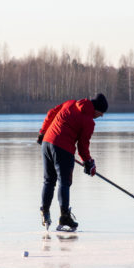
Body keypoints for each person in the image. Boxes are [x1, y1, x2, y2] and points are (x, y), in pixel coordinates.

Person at [37, 93, 108, 231]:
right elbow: (83, 145)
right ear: (96, 110)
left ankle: (45, 212)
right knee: (64, 182)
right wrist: (88, 162)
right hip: (63, 149)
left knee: (49, 181)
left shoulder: (70, 103)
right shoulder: (88, 121)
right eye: (101, 113)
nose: (101, 116)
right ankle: (64, 216)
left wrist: (42, 132)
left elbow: (51, 113)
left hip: (47, 143)